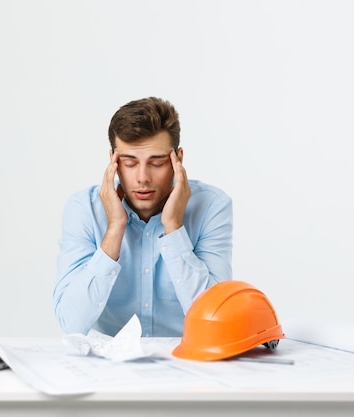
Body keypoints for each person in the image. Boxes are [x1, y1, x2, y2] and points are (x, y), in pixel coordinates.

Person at [53, 97, 233, 337]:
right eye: (129, 163)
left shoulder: (211, 206)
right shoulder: (84, 209)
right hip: (108, 366)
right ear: (113, 162)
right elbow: (71, 323)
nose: (142, 177)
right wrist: (115, 228)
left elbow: (217, 319)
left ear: (178, 160)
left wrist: (174, 227)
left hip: (187, 362)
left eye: (157, 163)